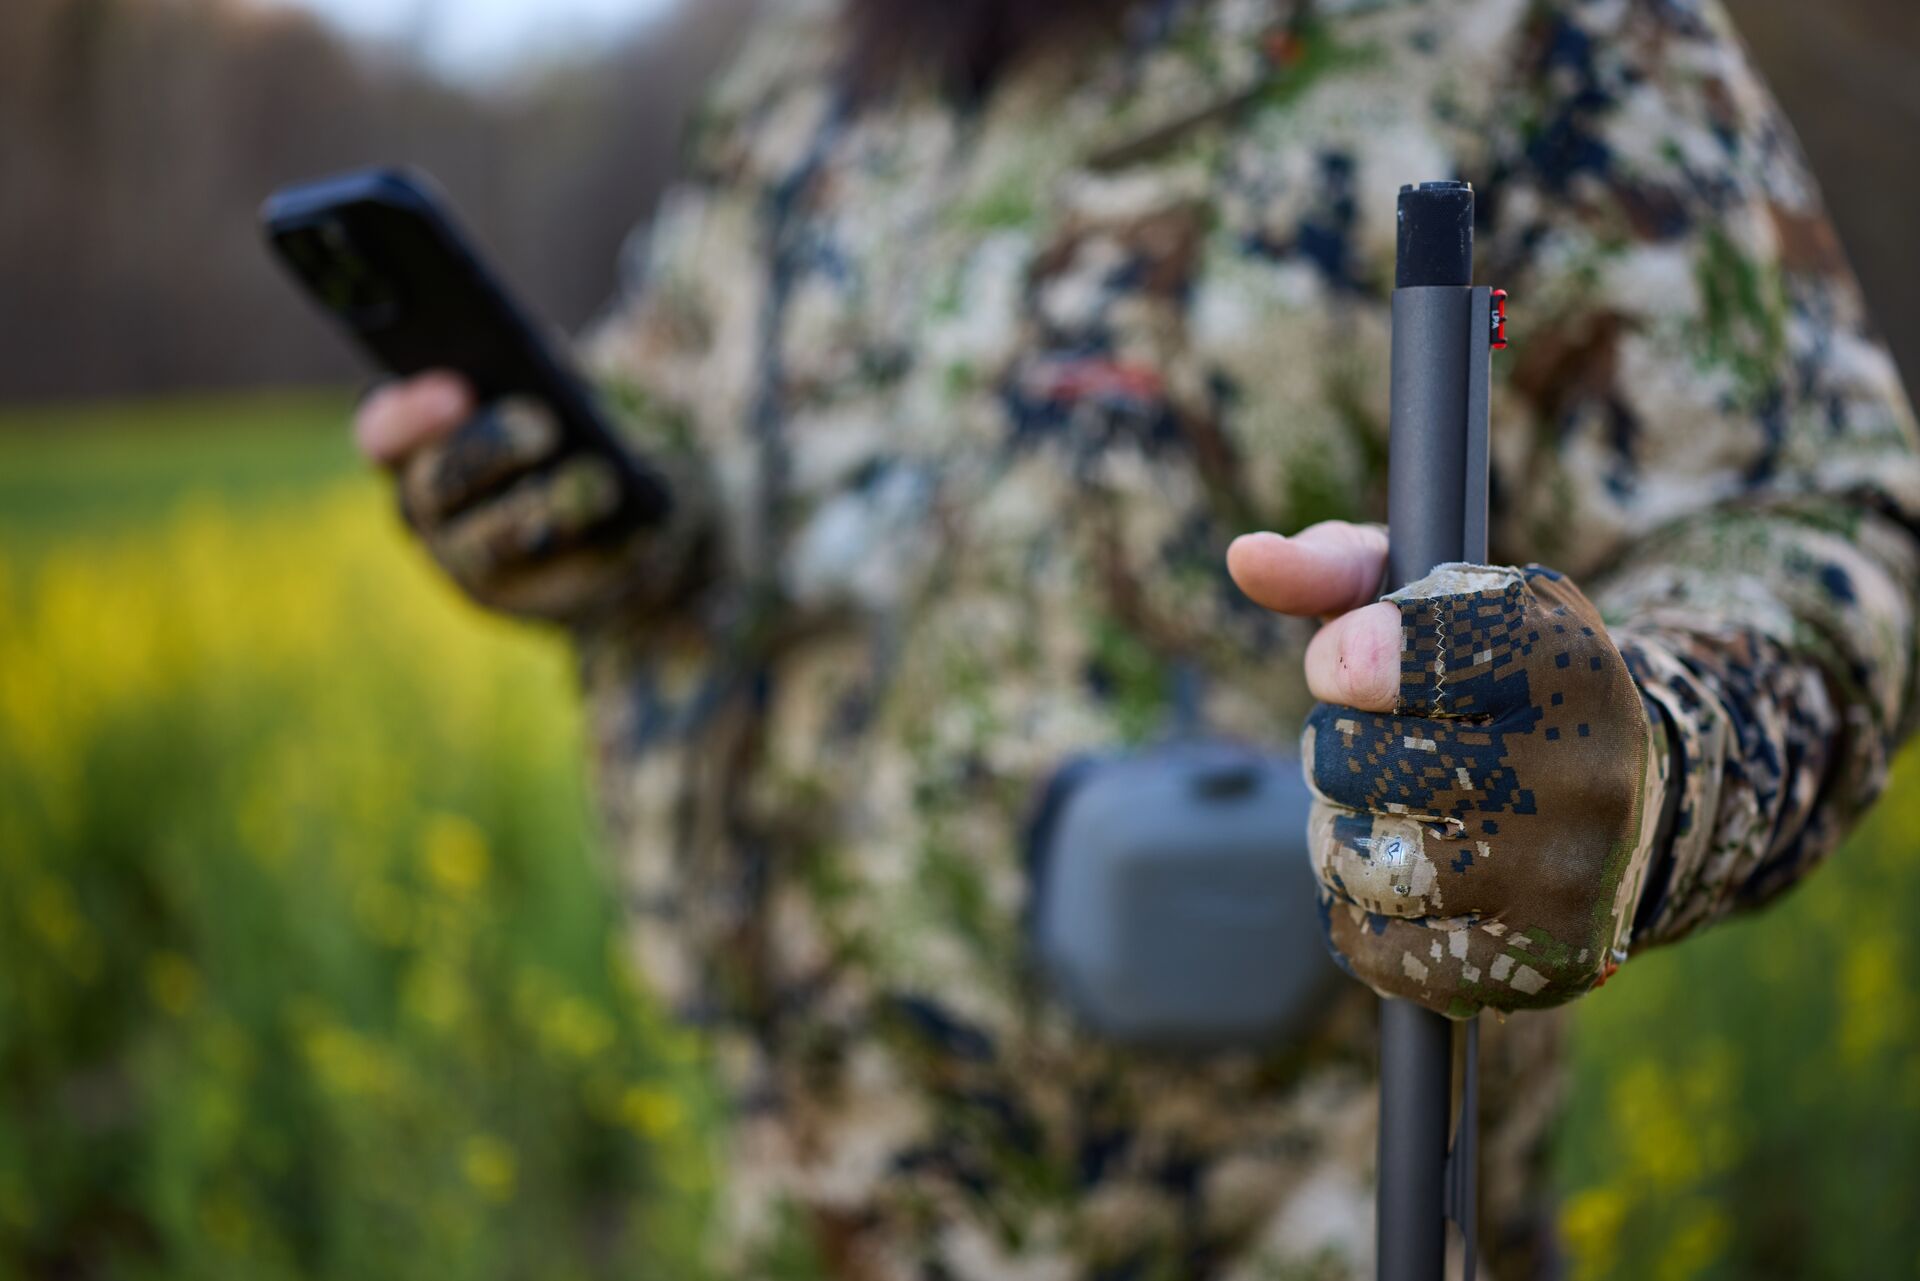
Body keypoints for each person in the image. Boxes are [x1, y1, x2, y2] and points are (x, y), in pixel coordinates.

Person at [353, 0, 1920, 1275]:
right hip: (811, 1204)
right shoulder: (807, 82)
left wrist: (1632, 750)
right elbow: (683, 429)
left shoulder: (1525, 39)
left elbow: (1819, 521)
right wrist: (569, 498)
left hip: (1293, 1225)